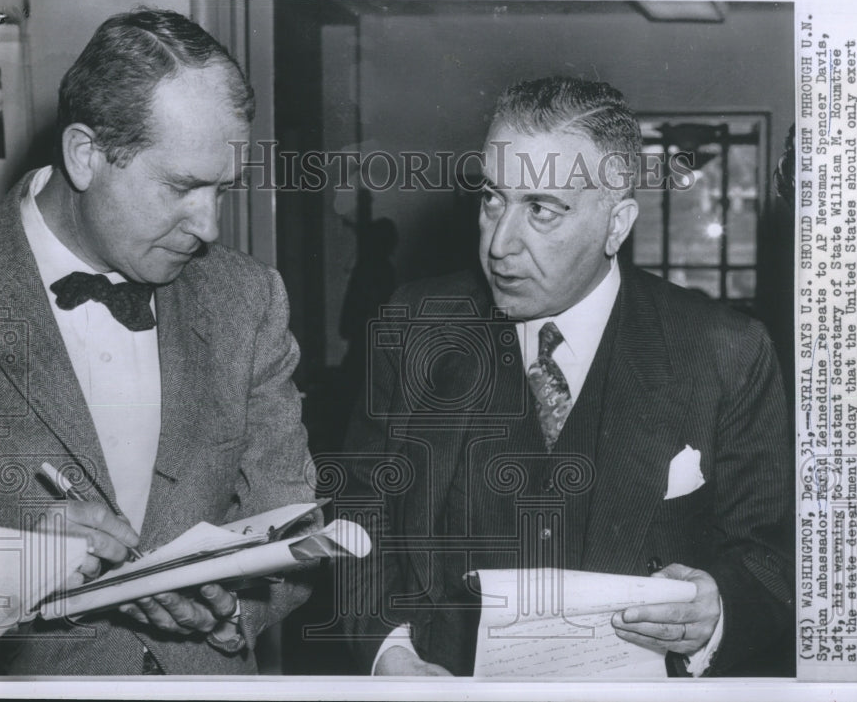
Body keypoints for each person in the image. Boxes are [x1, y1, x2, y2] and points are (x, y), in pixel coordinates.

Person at [340, 77, 793, 677]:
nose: (500, 244)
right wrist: (390, 653)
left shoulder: (724, 351)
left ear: (617, 224)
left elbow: (771, 558)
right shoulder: (415, 325)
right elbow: (355, 509)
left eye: (542, 210)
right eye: (493, 200)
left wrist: (719, 609)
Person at [0, 9, 317, 675]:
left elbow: (294, 531)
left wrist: (229, 610)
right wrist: (13, 567)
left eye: (222, 190)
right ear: (86, 155)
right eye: (181, 187)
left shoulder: (247, 300)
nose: (209, 225)